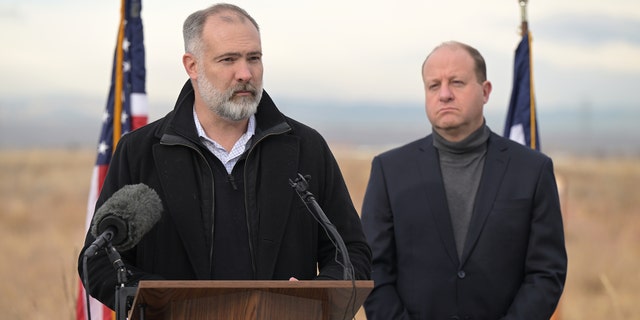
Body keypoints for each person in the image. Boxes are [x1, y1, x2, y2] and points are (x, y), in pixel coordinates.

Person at [78, 3, 371, 309]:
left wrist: (314, 297)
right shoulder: (139, 152)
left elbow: (351, 252)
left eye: (253, 59)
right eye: (228, 59)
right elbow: (99, 261)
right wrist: (166, 302)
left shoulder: (307, 148)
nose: (245, 73)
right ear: (192, 66)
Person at [361, 41, 567, 319]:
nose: (444, 94)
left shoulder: (532, 169)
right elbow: (374, 271)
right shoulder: (389, 170)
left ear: (485, 91)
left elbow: (546, 272)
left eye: (456, 82)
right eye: (434, 85)